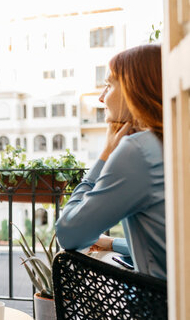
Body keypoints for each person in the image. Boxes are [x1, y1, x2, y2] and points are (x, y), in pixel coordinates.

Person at [56, 44, 166, 280]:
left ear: (133, 91)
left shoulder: (138, 151)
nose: (101, 97)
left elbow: (68, 233)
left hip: (157, 312)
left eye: (108, 85)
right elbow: (165, 248)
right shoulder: (169, 144)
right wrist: (112, 243)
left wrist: (106, 154)